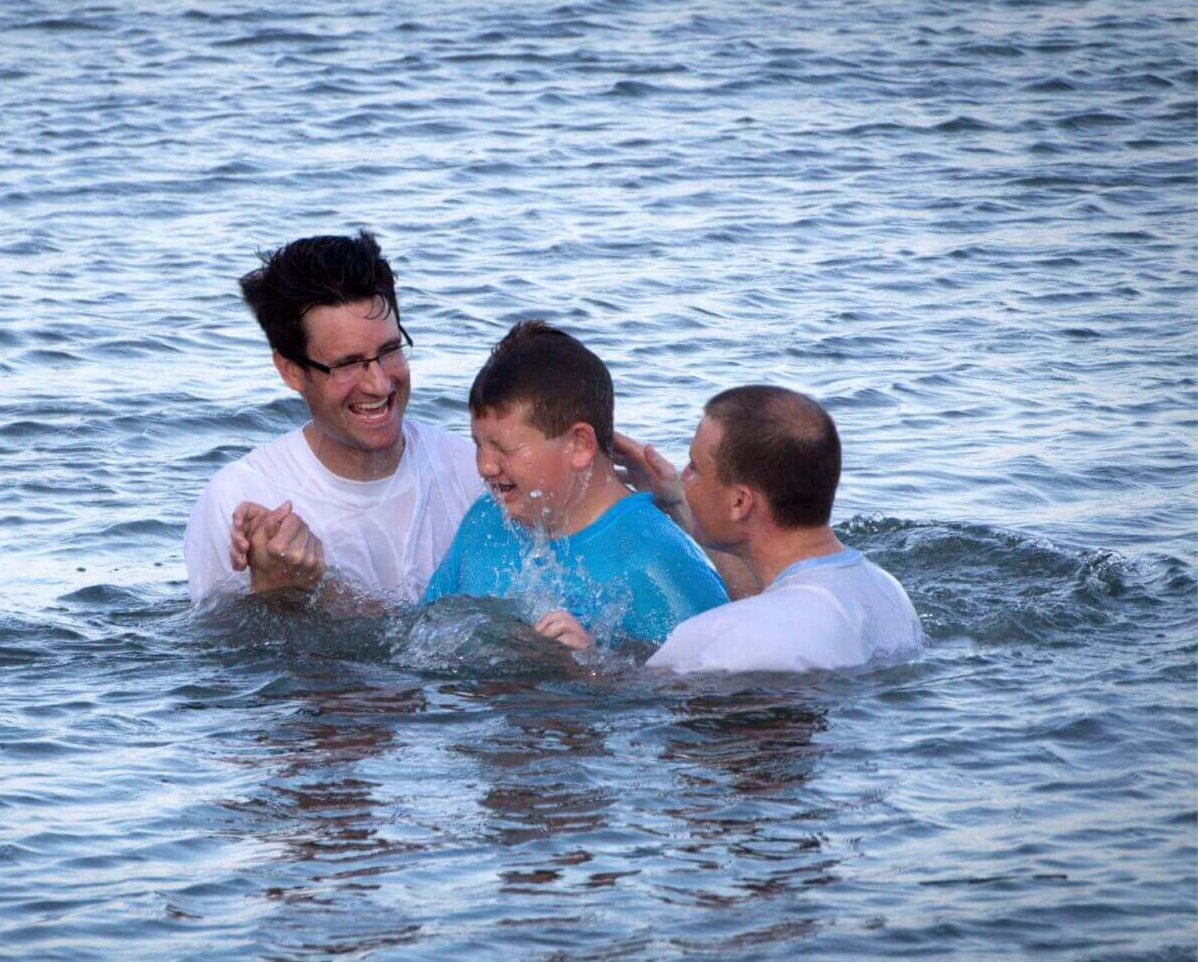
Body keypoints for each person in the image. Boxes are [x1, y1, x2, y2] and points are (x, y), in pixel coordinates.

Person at [182, 231, 481, 601]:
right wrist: (275, 594)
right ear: (290, 370)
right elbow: (218, 654)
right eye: (349, 363)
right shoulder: (239, 498)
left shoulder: (473, 474)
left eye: (389, 351)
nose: (379, 383)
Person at [423, 321, 730, 649]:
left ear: (580, 445)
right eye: (478, 444)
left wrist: (596, 672)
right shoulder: (483, 521)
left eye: (505, 449)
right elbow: (421, 634)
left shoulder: (658, 556)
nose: (484, 466)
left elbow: (714, 690)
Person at [625, 384, 925, 673]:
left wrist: (580, 654)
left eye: (694, 467)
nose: (682, 477)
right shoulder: (889, 592)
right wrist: (679, 505)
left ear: (740, 501)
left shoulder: (732, 640)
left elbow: (632, 700)